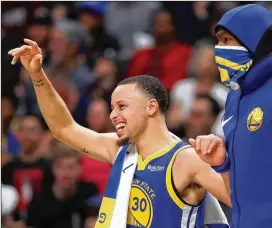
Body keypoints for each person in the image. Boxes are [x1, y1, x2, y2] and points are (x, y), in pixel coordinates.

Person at [8, 39, 230, 227]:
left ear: (151, 107)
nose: (113, 115)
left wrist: (223, 165)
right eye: (112, 107)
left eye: (122, 106)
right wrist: (37, 75)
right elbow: (64, 128)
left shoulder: (186, 159)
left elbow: (241, 203)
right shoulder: (118, 149)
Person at [189, 4, 272, 228]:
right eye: (218, 41)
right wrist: (223, 165)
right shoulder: (234, 99)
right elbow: (238, 197)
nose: (219, 49)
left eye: (227, 41)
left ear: (254, 39)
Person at [27, 143, 98, 228]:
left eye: (71, 167)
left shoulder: (89, 192)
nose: (66, 174)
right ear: (53, 169)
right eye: (60, 167)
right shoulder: (39, 201)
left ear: (80, 169)